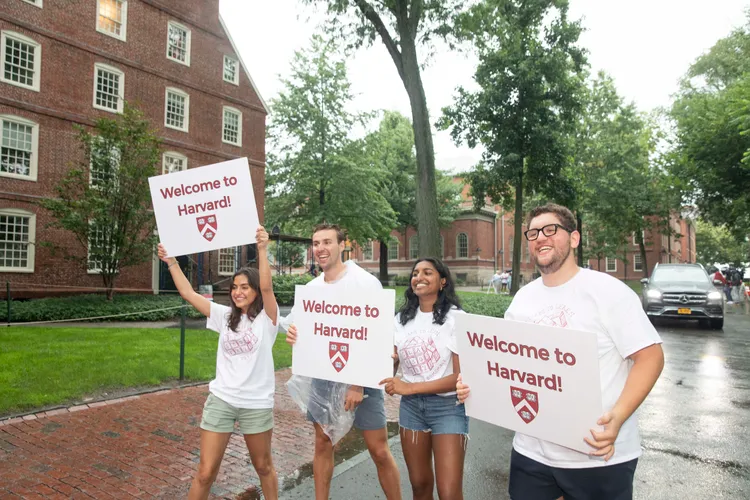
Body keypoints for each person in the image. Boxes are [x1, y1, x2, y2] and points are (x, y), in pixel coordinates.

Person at [457, 203, 664, 500]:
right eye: (533, 233)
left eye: (550, 230)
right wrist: (474, 385)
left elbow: (651, 357)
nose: (540, 237)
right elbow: (507, 366)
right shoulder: (523, 299)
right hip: (531, 452)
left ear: (574, 238)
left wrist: (617, 417)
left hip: (596, 452)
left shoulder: (608, 291)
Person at [158, 226, 279, 500]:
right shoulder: (224, 316)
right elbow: (189, 294)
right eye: (234, 287)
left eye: (245, 287)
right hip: (222, 399)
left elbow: (268, 286)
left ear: (256, 291)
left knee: (264, 466)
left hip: (256, 403)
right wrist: (172, 261)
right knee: (205, 471)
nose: (237, 292)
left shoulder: (267, 319)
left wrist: (262, 249)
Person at [284, 223, 402, 500]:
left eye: (327, 242)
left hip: (363, 379)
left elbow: (378, 336)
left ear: (341, 245)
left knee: (378, 449)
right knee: (323, 443)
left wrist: (357, 384)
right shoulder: (312, 289)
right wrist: (294, 333)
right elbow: (304, 329)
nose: (320, 249)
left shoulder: (364, 282)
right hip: (324, 377)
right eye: (315, 243)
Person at [379, 258, 468, 500]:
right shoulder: (400, 319)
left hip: (448, 407)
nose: (419, 277)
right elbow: (389, 365)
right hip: (412, 410)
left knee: (449, 492)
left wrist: (409, 387)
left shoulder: (456, 319)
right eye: (415, 273)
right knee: (419, 484)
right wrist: (389, 361)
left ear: (442, 282)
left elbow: (459, 377)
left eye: (427, 272)